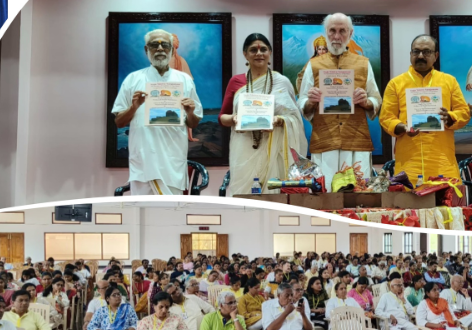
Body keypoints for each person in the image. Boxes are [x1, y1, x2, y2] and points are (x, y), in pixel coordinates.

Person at [111, 29, 205, 195]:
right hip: (143, 160)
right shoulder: (133, 79)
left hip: (172, 161)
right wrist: (134, 107)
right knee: (142, 216)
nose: (160, 48)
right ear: (146, 50)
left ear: (172, 50)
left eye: (165, 45)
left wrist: (190, 112)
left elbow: (194, 122)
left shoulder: (185, 80)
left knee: (171, 214)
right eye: (154, 45)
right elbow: (119, 122)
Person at [296, 13, 384, 180]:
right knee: (325, 192)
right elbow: (302, 102)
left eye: (342, 31)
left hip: (356, 138)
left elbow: (376, 99)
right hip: (324, 139)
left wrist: (366, 101)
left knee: (358, 195)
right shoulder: (313, 65)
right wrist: (310, 101)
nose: (337, 36)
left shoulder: (363, 63)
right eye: (332, 31)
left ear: (350, 34)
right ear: (326, 33)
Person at [220, 33, 307, 196]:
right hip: (244, 147)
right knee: (244, 197)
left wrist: (279, 121)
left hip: (274, 148)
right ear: (245, 54)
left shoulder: (282, 81)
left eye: (263, 49)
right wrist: (234, 118)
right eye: (253, 50)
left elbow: (295, 117)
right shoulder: (236, 81)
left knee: (274, 197)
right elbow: (222, 117)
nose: (259, 53)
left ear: (270, 53)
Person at [380, 34, 471, 182]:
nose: (420, 56)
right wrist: (403, 127)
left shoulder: (449, 81)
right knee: (408, 204)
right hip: (409, 162)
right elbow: (386, 118)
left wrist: (450, 117)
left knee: (447, 204)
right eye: (416, 51)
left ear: (435, 56)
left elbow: (464, 113)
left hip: (442, 161)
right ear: (410, 55)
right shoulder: (396, 83)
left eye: (426, 52)